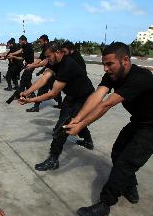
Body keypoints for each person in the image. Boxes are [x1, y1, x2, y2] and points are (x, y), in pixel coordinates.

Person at [63, 42, 153, 216]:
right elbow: (97, 96)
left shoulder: (140, 77)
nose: (106, 69)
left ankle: (105, 204)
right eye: (104, 64)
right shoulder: (113, 75)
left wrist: (82, 126)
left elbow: (106, 103)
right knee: (117, 152)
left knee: (125, 162)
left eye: (109, 64)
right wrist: (78, 118)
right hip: (139, 121)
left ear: (125, 60)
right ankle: (130, 187)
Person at [18, 41, 95, 171]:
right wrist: (27, 92)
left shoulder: (67, 65)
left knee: (62, 126)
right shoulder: (54, 62)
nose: (47, 59)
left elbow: (53, 94)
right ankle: (88, 140)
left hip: (84, 98)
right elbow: (44, 79)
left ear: (58, 53)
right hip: (71, 96)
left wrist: (30, 100)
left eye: (48, 56)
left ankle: (53, 159)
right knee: (71, 121)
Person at [23, 35, 61, 113]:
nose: (40, 43)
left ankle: (36, 107)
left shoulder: (49, 49)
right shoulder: (46, 49)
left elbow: (44, 61)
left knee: (43, 90)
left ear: (45, 41)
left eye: (40, 41)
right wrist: (32, 65)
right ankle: (60, 103)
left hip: (52, 72)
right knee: (54, 89)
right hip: (50, 71)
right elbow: (41, 59)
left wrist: (33, 65)